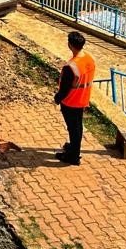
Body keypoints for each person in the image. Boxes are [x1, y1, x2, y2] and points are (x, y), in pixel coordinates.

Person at [53, 31, 95, 166]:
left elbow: (65, 89)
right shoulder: (89, 59)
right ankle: (74, 148)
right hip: (82, 99)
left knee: (73, 128)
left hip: (71, 101)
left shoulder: (71, 67)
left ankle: (73, 156)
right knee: (78, 126)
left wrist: (57, 98)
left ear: (70, 45)